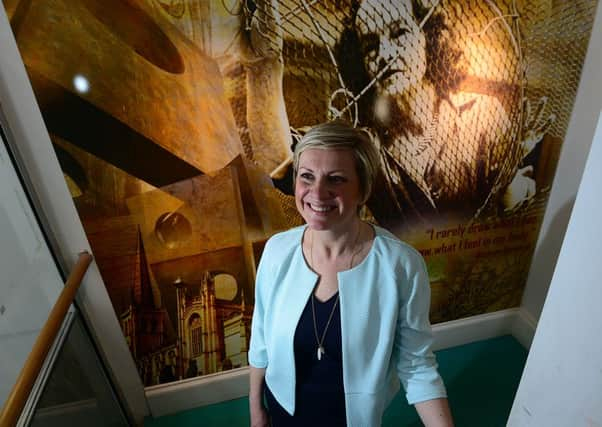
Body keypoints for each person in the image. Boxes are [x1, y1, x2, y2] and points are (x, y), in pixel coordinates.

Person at [248, 121, 453, 426]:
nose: (317, 193)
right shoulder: (277, 251)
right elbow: (261, 337)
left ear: (363, 189)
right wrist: (257, 409)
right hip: (283, 409)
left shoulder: (401, 266)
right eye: (306, 176)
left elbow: (416, 364)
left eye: (336, 179)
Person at [337, 0, 522, 229]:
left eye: (399, 33)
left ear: (428, 36)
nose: (385, 54)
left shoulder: (483, 115)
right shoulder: (368, 148)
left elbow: (513, 210)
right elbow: (289, 164)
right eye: (370, 46)